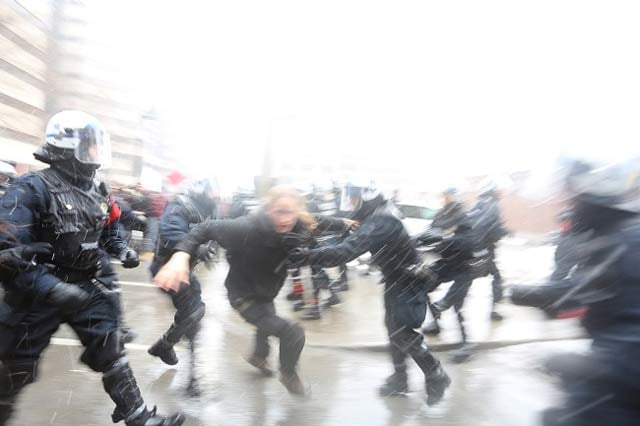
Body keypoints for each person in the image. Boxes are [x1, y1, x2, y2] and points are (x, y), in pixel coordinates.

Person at [0, 111, 184, 426]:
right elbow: (7, 250)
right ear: (68, 147)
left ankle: (136, 415)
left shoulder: (97, 189)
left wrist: (122, 249)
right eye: (91, 145)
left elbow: (107, 231)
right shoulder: (32, 187)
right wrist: (50, 288)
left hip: (85, 284)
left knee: (110, 346)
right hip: (36, 290)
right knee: (14, 366)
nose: (96, 152)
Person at [153, 186, 352, 396]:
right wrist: (180, 256)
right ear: (268, 209)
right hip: (243, 295)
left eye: (291, 213)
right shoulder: (246, 228)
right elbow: (205, 228)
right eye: (280, 212)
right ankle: (288, 374)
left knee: (268, 319)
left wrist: (345, 223)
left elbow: (318, 220)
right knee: (292, 333)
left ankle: (259, 356)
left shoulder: (299, 223)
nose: (285, 219)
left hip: (266, 292)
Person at [288, 183, 451, 406]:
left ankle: (436, 374)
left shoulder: (381, 220)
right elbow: (347, 240)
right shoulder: (379, 215)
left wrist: (308, 256)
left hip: (408, 283)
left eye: (356, 199)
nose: (353, 204)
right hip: (399, 281)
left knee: (403, 332)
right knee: (394, 330)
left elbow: (346, 251)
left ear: (368, 199)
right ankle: (400, 379)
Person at [513, 160, 640, 426]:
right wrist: (543, 294)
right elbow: (595, 289)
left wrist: (594, 371)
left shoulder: (629, 242)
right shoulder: (611, 236)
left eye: (570, 195)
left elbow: (632, 332)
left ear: (593, 192)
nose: (565, 203)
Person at [147, 177, 219, 396]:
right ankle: (191, 377)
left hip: (186, 273)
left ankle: (166, 345)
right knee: (194, 314)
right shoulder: (181, 204)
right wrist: (196, 249)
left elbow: (219, 232)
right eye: (212, 190)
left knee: (194, 316)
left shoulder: (211, 210)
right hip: (166, 269)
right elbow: (170, 232)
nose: (216, 195)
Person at [421, 187, 468, 336]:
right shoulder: (441, 213)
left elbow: (465, 238)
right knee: (423, 288)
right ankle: (435, 323)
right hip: (445, 262)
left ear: (455, 196)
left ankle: (464, 341)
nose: (444, 199)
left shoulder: (463, 215)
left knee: (456, 303)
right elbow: (431, 233)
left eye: (447, 196)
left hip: (462, 265)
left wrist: (446, 237)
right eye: (443, 196)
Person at [466, 184, 508, 320]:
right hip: (483, 249)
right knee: (496, 278)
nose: (502, 193)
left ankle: (442, 306)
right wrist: (502, 231)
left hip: (471, 246)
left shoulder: (480, 203)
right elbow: (486, 226)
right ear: (495, 191)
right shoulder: (493, 205)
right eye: (500, 191)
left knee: (464, 278)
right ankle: (493, 311)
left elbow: (469, 221)